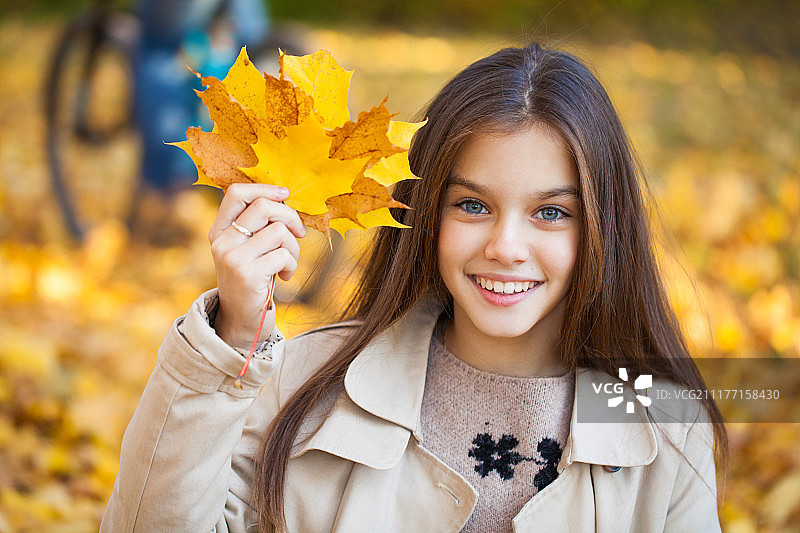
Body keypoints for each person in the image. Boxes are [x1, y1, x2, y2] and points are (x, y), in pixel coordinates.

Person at [101, 42, 727, 532]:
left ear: (603, 229)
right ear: (426, 214)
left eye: (552, 213)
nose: (506, 247)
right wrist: (230, 340)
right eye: (472, 206)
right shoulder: (304, 390)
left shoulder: (668, 434)